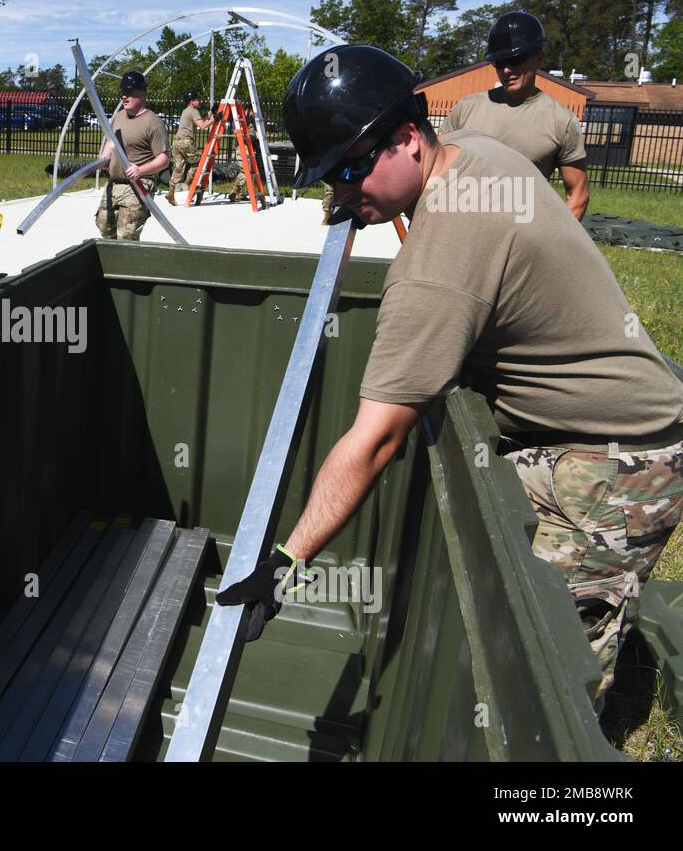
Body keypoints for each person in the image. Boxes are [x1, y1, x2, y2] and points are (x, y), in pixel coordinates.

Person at [217, 44, 683, 717]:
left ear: (408, 139)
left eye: (350, 169)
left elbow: (375, 441)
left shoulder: (437, 269)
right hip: (578, 424)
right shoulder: (472, 151)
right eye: (329, 178)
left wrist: (286, 561)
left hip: (621, 456)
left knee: (549, 662)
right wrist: (358, 191)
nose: (341, 194)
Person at [441, 11, 589, 221]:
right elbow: (435, 170)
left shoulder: (561, 121)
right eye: (499, 63)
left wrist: (551, 243)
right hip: (463, 231)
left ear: (539, 58)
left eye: (515, 59)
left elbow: (578, 194)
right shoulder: (466, 109)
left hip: (522, 239)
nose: (507, 70)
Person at [95, 71, 169, 241]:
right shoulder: (117, 118)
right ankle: (112, 261)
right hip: (114, 184)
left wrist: (140, 170)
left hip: (138, 184)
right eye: (123, 92)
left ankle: (126, 264)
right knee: (104, 226)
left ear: (142, 93)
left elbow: (164, 159)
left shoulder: (153, 122)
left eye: (129, 92)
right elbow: (111, 141)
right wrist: (105, 157)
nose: (124, 96)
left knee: (126, 236)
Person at [167, 90, 214, 205]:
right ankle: (188, 183)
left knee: (179, 167)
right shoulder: (193, 111)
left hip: (176, 142)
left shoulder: (186, 111)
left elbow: (200, 120)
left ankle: (171, 193)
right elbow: (202, 125)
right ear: (192, 102)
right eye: (197, 99)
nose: (199, 101)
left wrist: (211, 113)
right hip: (186, 142)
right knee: (199, 163)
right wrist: (215, 119)